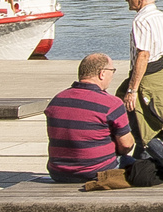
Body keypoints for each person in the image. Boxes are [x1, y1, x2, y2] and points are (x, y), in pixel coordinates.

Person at [45, 52, 138, 183]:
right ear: (102, 73)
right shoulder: (112, 104)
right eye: (112, 70)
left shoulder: (57, 100)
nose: (112, 75)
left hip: (58, 172)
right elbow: (126, 145)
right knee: (146, 169)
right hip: (97, 172)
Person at [120, 0, 163, 144]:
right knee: (153, 120)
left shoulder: (141, 20)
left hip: (148, 76)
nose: (127, 0)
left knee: (142, 123)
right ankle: (137, 164)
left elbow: (144, 55)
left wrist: (132, 90)